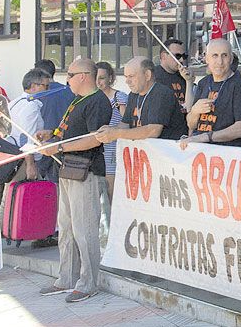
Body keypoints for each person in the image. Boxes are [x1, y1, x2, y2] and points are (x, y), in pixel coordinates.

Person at [35, 58, 112, 303]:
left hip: (86, 170)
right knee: (67, 227)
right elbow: (69, 129)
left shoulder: (97, 101)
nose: (66, 79)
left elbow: (95, 138)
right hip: (68, 168)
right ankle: (66, 277)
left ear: (82, 76)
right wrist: (52, 136)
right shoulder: (77, 99)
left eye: (69, 74)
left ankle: (89, 282)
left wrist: (59, 146)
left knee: (84, 229)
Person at [0, 69, 49, 234]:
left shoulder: (15, 103)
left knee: (10, 199)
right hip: (22, 160)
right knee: (9, 201)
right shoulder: (30, 106)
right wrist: (30, 164)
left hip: (11, 156)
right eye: (45, 86)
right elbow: (27, 139)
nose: (47, 90)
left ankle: (38, 233)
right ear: (33, 86)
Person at [181, 38, 241, 149]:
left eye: (224, 55)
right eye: (215, 56)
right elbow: (191, 124)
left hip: (227, 153)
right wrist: (195, 111)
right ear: (206, 58)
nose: (220, 62)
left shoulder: (239, 85)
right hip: (202, 152)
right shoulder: (203, 83)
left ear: (231, 58)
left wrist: (207, 137)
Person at [96, 57, 187, 143]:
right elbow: (125, 124)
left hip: (166, 154)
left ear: (147, 75)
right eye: (126, 77)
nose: (127, 81)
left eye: (131, 76)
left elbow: (153, 131)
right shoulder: (133, 95)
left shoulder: (161, 93)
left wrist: (116, 133)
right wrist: (109, 131)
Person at [94, 62, 128, 198]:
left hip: (113, 147)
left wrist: (112, 130)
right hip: (98, 147)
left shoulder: (119, 97)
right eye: (96, 78)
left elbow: (126, 122)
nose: (98, 82)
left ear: (110, 78)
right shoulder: (93, 98)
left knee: (111, 189)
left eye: (102, 78)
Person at [154, 38, 193, 107]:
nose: (181, 60)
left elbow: (190, 107)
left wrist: (189, 81)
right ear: (163, 56)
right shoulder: (154, 77)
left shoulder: (183, 76)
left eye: (184, 56)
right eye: (177, 56)